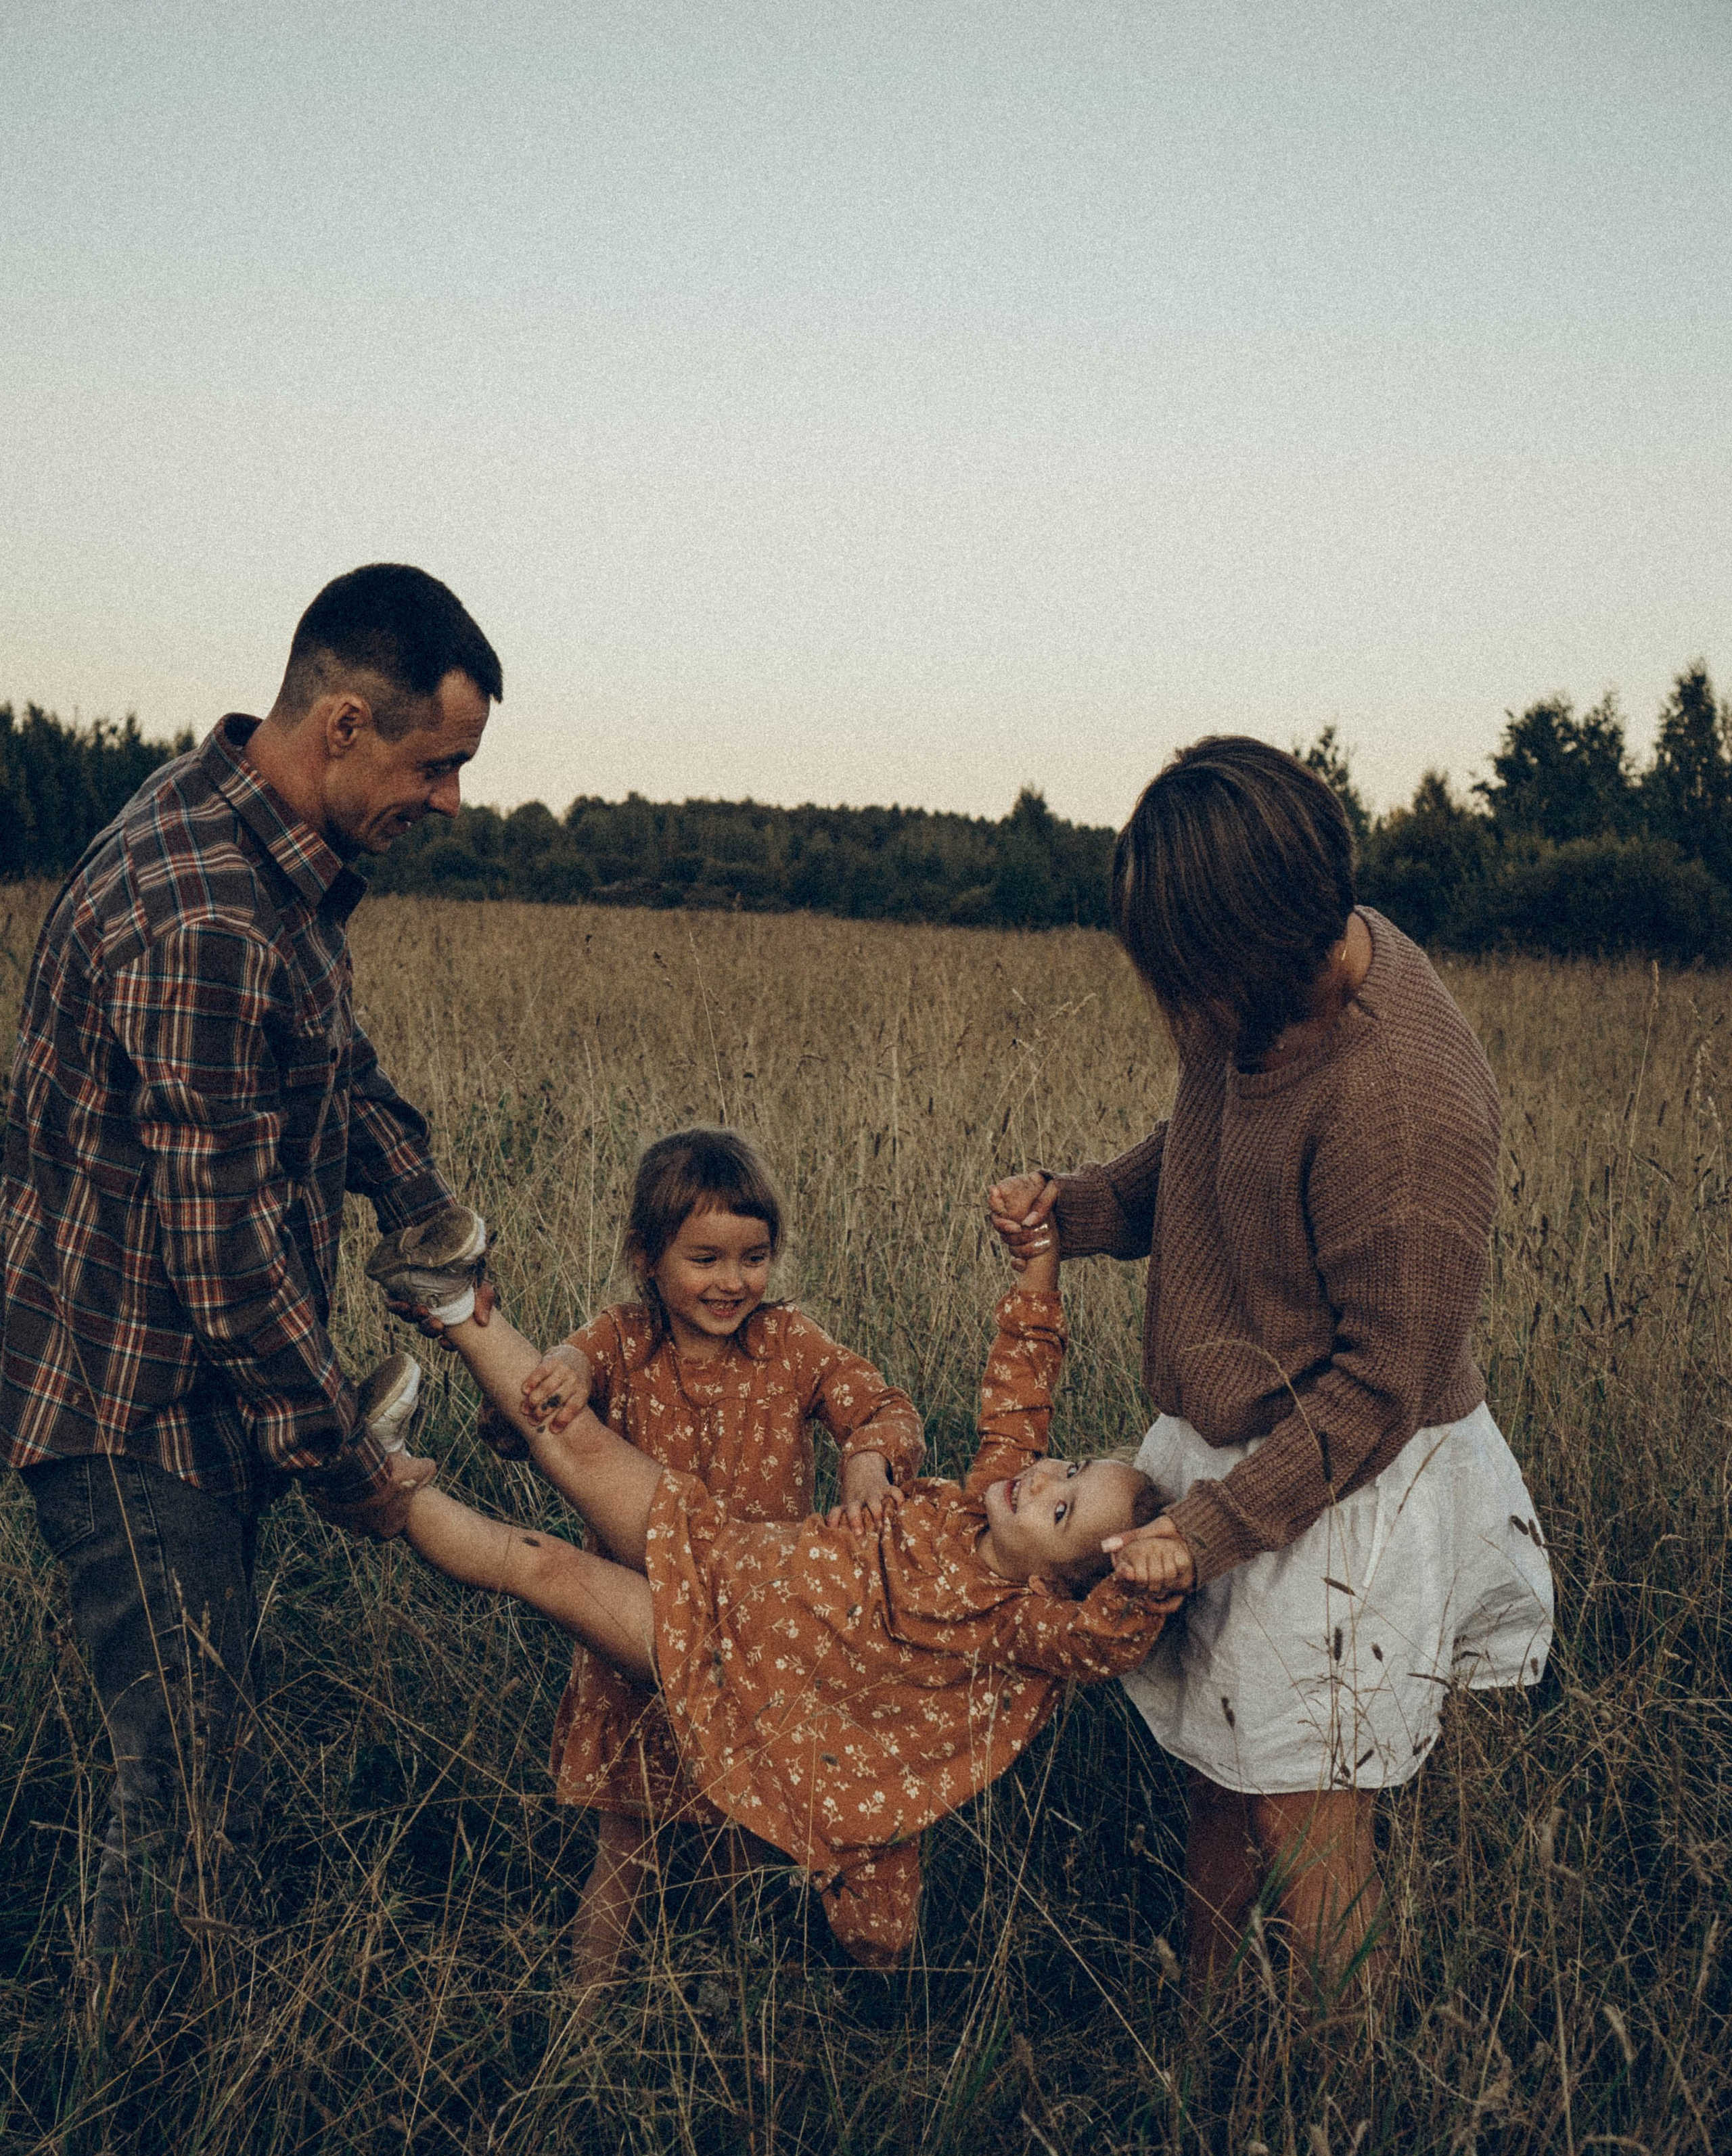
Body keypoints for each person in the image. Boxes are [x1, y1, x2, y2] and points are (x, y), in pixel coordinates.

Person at [988, 736, 1553, 2002]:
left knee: (1305, 1813)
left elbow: (1382, 1385)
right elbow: (1202, 1145)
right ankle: (1207, 2035)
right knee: (1219, 1767)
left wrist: (1214, 1530)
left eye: (1187, 982)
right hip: (1233, 1449)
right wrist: (1078, 1209)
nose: (1173, 1012)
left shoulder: (1403, 1102)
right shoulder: (1256, 993)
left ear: (1257, 949)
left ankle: (1343, 2123)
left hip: (1342, 1486)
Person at [1, 564, 499, 1954]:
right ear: (341, 725)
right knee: (181, 1783)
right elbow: (216, 1258)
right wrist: (347, 1468)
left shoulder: (248, 837)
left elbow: (328, 1061)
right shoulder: (213, 916)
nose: (450, 802)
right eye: (436, 763)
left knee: (195, 1747)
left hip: (174, 1387)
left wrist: (426, 1220)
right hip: (131, 1406)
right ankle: (127, 2119)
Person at [361, 1212, 1172, 1969]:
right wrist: (1039, 1266)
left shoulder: (1018, 1617)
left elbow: (1103, 1643)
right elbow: (1021, 1386)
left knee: (540, 1564)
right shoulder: (982, 1497)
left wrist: (1150, 1579)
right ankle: (455, 1298)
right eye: (1066, 1467)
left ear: (1058, 1580)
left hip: (732, 1667)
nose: (1042, 1482)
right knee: (576, 1443)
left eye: (1061, 1509)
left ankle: (383, 1480)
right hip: (721, 1550)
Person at [472, 1125, 924, 1985]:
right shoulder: (620, 1340)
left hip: (750, 1636)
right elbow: (539, 1397)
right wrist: (560, 1367)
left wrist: (866, 1454)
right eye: (706, 1258)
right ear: (646, 1255)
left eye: (753, 1257)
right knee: (629, 1841)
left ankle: (723, 2000)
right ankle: (585, 2017)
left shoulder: (790, 1345)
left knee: (739, 1828)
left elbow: (880, 1404)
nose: (732, 1282)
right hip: (635, 1628)